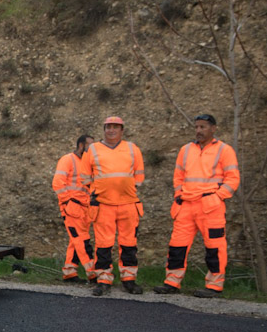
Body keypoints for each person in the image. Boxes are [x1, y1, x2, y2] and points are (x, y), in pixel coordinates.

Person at [153, 114, 240, 298]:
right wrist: (178, 195)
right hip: (185, 205)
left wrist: (217, 197)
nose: (199, 130)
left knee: (215, 247)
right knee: (177, 246)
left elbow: (233, 179)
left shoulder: (224, 150)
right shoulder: (185, 150)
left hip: (211, 207)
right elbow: (178, 177)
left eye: (203, 127)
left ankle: (214, 286)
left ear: (213, 128)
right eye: (197, 127)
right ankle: (172, 283)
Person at [79, 116, 145, 296]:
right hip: (103, 205)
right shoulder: (93, 149)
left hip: (128, 204)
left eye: (115, 127)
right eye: (108, 127)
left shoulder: (132, 148)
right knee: (103, 245)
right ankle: (103, 280)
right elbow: (85, 176)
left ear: (122, 130)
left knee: (129, 244)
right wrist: (96, 191)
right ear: (104, 129)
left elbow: (139, 174)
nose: (111, 130)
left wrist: (129, 188)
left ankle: (129, 280)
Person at [53, 134, 96, 284]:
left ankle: (69, 272)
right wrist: (68, 202)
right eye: (90, 145)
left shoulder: (87, 164)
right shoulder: (68, 159)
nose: (92, 149)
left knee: (75, 241)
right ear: (81, 145)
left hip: (84, 208)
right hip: (72, 208)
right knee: (82, 240)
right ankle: (93, 273)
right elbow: (57, 183)